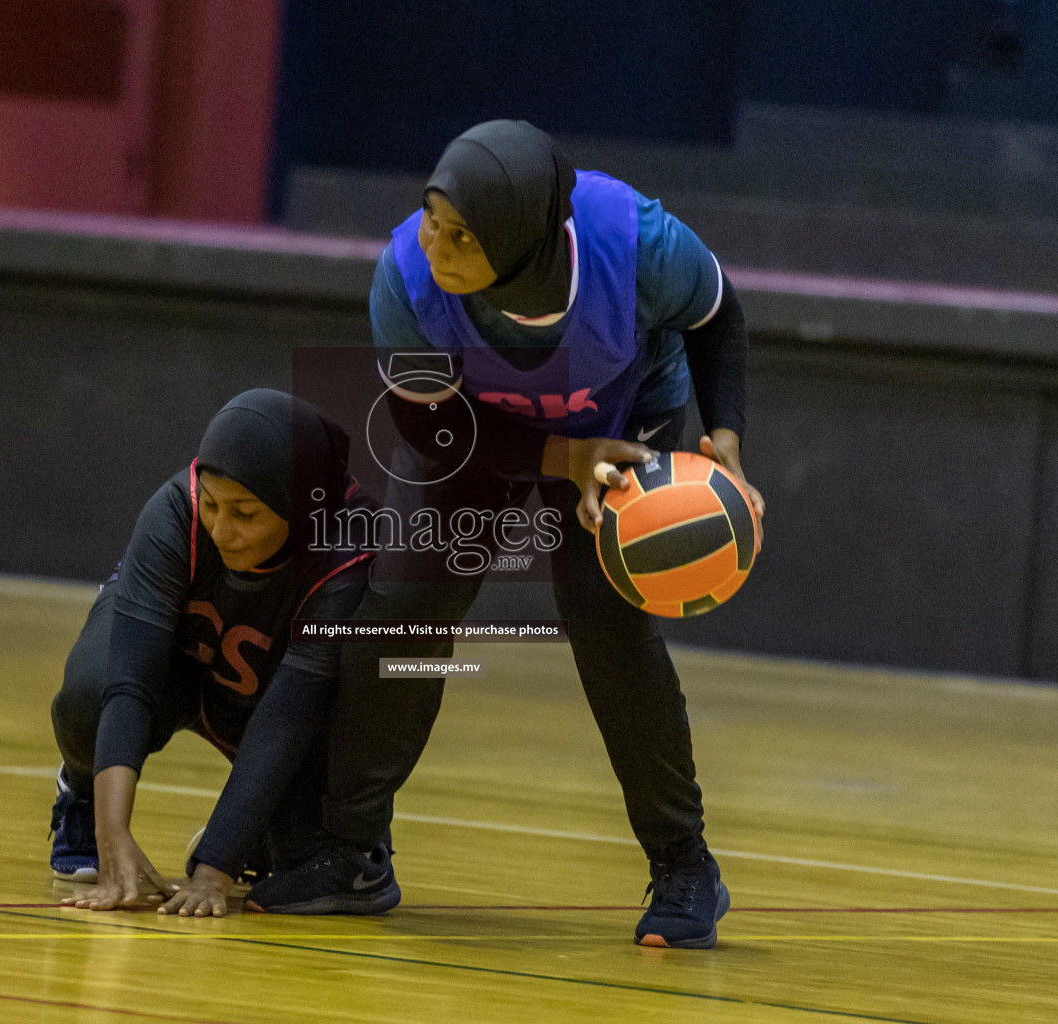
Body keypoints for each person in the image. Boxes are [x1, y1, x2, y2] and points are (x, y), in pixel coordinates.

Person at [248, 120, 763, 949]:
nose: (438, 246)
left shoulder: (635, 242)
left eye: (463, 235)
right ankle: (353, 856)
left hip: (628, 422)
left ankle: (684, 867)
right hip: (472, 434)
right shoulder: (406, 276)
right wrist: (563, 454)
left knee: (609, 629)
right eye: (431, 221)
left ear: (522, 239)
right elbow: (426, 432)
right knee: (402, 613)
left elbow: (717, 315)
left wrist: (726, 438)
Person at [51, 389, 385, 918]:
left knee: (320, 786)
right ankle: (83, 792)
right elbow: (130, 679)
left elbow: (287, 720)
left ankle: (267, 836)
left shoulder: (343, 552)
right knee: (90, 695)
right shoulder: (173, 511)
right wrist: (113, 833)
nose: (221, 530)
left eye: (245, 514)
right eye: (210, 504)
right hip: (174, 662)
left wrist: (213, 872)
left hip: (265, 688)